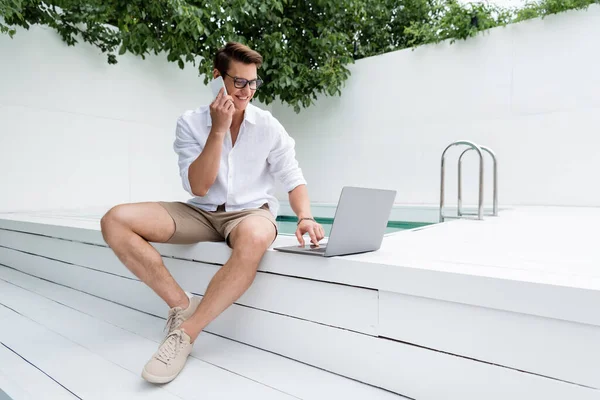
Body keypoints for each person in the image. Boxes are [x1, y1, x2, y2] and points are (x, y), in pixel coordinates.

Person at [100, 42, 324, 384]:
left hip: (250, 213)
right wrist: (219, 129)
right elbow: (199, 187)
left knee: (257, 236)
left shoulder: (268, 126)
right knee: (115, 220)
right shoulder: (190, 123)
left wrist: (305, 216)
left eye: (253, 83)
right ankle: (181, 304)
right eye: (239, 82)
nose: (247, 91)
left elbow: (294, 179)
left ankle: (186, 333)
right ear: (217, 77)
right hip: (202, 212)